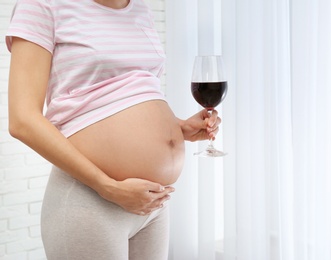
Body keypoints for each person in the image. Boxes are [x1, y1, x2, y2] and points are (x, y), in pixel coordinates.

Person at [6, 0, 221, 259]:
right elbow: (22, 120)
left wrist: (178, 127)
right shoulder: (43, 5)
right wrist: (106, 186)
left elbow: (129, 91)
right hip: (92, 199)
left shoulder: (140, 9)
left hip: (152, 204)